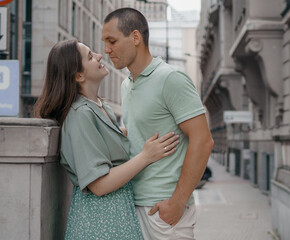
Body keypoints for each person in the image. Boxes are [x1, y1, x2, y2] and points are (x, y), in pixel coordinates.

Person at [34, 39, 179, 240]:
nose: (100, 55)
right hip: (100, 222)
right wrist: (146, 156)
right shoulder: (80, 114)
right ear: (79, 75)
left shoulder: (99, 107)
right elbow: (99, 185)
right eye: (90, 56)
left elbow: (106, 142)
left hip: (116, 217)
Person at [102, 8, 214, 239]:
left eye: (112, 41)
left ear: (135, 37)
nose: (106, 50)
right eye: (105, 42)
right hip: (132, 205)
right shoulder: (126, 85)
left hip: (163, 211)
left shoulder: (170, 79)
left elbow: (203, 140)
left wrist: (177, 202)